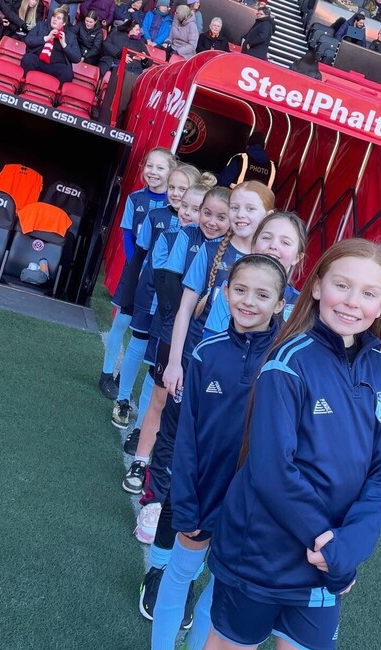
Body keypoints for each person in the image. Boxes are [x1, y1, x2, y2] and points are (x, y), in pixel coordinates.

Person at [162, 239, 381, 650]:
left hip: (326, 564)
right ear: (316, 286)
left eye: (369, 292)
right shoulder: (288, 363)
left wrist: (349, 550)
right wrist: (327, 541)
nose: (352, 301)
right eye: (341, 284)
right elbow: (272, 470)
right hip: (262, 551)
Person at [146, 254, 287, 650]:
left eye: (262, 294)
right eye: (240, 290)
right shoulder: (206, 354)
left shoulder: (283, 361)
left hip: (247, 502)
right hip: (201, 492)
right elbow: (187, 436)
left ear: (280, 303)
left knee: (221, 580)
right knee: (182, 573)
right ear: (226, 294)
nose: (249, 301)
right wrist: (183, 496)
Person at [125, 181, 275, 496]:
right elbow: (183, 309)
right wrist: (176, 360)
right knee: (162, 401)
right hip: (188, 347)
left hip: (232, 365)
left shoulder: (270, 264)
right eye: (236, 207)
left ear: (267, 215)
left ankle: (183, 488)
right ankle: (142, 461)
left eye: (249, 209)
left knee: (204, 425)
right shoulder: (210, 250)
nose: (239, 215)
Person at [111, 165, 200, 431]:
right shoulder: (155, 216)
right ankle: (123, 399)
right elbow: (140, 257)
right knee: (139, 342)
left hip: (173, 308)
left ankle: (143, 424)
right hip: (149, 294)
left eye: (182, 190)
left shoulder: (204, 238)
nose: (175, 194)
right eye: (172, 188)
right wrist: (128, 292)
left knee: (156, 361)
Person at [100, 147, 175, 400]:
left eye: (160, 167)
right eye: (149, 166)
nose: (153, 172)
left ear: (171, 171)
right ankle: (106, 374)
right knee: (121, 322)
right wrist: (137, 266)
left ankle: (125, 378)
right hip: (137, 274)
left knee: (144, 331)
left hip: (159, 281)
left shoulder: (175, 205)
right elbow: (128, 235)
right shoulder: (135, 199)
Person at [21, 4, 82, 84]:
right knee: (27, 59)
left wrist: (64, 45)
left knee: (67, 73)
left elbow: (77, 58)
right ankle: (26, 84)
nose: (55, 19)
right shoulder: (41, 25)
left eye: (58, 18)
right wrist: (46, 38)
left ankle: (55, 94)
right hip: (38, 60)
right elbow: (28, 40)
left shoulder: (70, 36)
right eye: (53, 16)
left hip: (56, 66)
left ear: (64, 23)